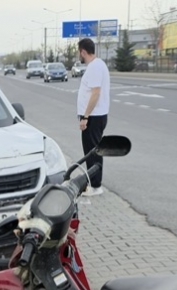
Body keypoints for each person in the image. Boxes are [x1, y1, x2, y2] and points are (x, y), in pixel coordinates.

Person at [76, 37, 110, 196]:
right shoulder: (98, 65)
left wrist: (85, 117)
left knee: (92, 152)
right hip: (96, 116)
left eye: (79, 52)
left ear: (83, 52)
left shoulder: (95, 67)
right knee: (92, 151)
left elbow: (96, 93)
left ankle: (95, 186)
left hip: (93, 117)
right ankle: (94, 184)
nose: (79, 56)